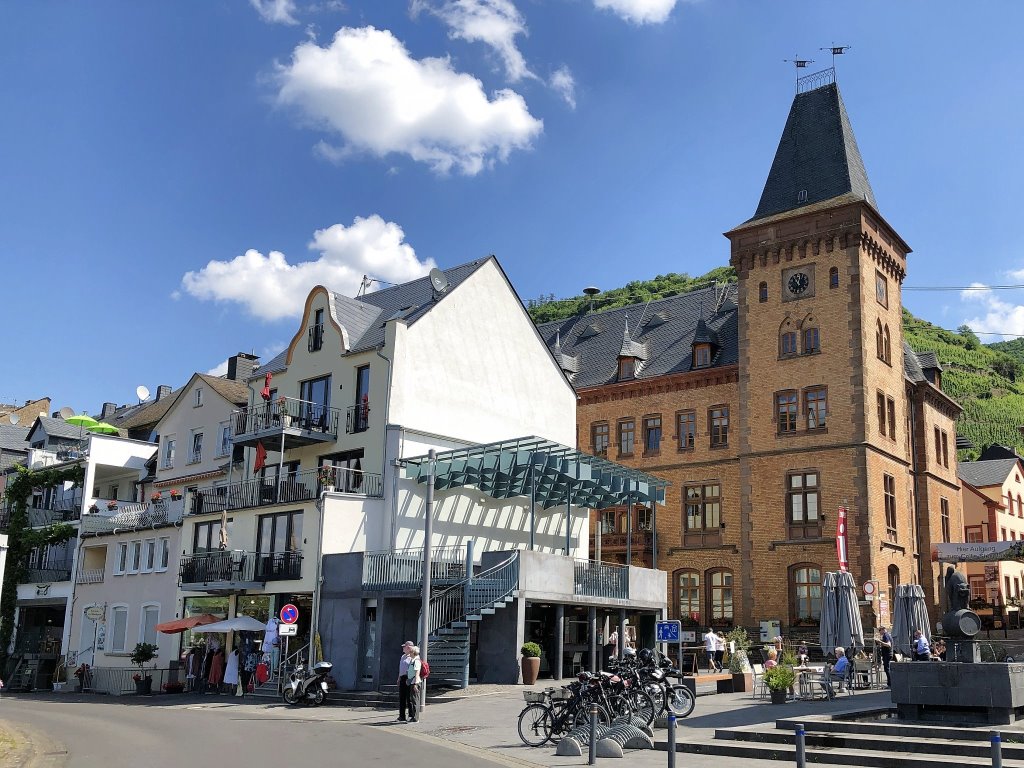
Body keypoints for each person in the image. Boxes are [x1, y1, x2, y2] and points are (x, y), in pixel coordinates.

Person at [396, 640, 414, 722]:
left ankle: (411, 715)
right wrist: (399, 678)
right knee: (402, 698)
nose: (403, 648)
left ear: (408, 647)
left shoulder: (412, 657)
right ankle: (401, 716)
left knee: (409, 698)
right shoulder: (403, 657)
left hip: (409, 678)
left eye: (404, 647)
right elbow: (401, 669)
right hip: (402, 678)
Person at [405, 645, 423, 723]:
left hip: (415, 682)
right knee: (412, 700)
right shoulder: (413, 660)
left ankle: (416, 718)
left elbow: (417, 673)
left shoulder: (416, 661)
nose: (409, 653)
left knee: (415, 700)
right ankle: (413, 716)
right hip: (411, 682)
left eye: (411, 651)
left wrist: (415, 684)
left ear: (413, 652)